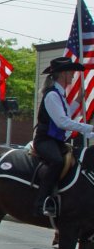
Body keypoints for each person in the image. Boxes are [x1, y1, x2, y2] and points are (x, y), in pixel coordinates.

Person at [33, 57, 94, 217]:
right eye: (71, 72)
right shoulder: (52, 95)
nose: (74, 75)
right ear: (63, 74)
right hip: (45, 140)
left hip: (57, 140)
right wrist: (89, 128)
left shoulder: (59, 95)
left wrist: (78, 101)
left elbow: (65, 113)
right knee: (57, 161)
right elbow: (61, 121)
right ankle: (41, 202)